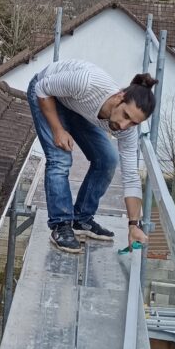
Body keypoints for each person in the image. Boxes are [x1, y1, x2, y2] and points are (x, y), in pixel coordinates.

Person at [27, 60, 157, 253]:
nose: (124, 126)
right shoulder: (87, 82)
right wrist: (58, 130)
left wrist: (133, 225)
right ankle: (61, 226)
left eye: (133, 123)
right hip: (46, 93)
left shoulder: (127, 131)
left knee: (108, 159)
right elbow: (41, 88)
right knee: (60, 159)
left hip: (76, 105)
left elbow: (131, 177)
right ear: (119, 97)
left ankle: (81, 219)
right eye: (125, 115)